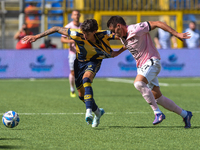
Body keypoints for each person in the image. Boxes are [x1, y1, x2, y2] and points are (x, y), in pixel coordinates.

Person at [22, 19, 126, 128]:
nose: (84, 36)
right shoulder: (77, 34)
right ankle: (98, 113)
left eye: (88, 34)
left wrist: (119, 51)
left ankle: (88, 112)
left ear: (95, 31)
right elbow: (56, 28)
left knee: (87, 79)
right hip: (79, 64)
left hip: (94, 61)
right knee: (81, 96)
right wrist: (36, 37)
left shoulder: (105, 35)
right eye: (83, 33)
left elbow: (125, 36)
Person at [107, 16, 193, 128]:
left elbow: (157, 23)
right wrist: (117, 52)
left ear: (119, 26)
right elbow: (128, 44)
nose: (114, 33)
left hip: (152, 61)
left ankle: (158, 113)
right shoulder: (123, 36)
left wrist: (176, 34)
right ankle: (185, 114)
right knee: (158, 98)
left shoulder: (136, 28)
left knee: (138, 83)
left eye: (114, 30)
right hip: (142, 66)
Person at [60, 10, 82, 98]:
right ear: (72, 16)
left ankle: (82, 89)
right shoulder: (68, 27)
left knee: (83, 72)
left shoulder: (83, 26)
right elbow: (62, 39)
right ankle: (72, 89)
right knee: (73, 72)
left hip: (83, 53)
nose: (76, 16)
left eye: (77, 14)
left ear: (80, 16)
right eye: (74, 15)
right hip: (73, 53)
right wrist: (72, 41)